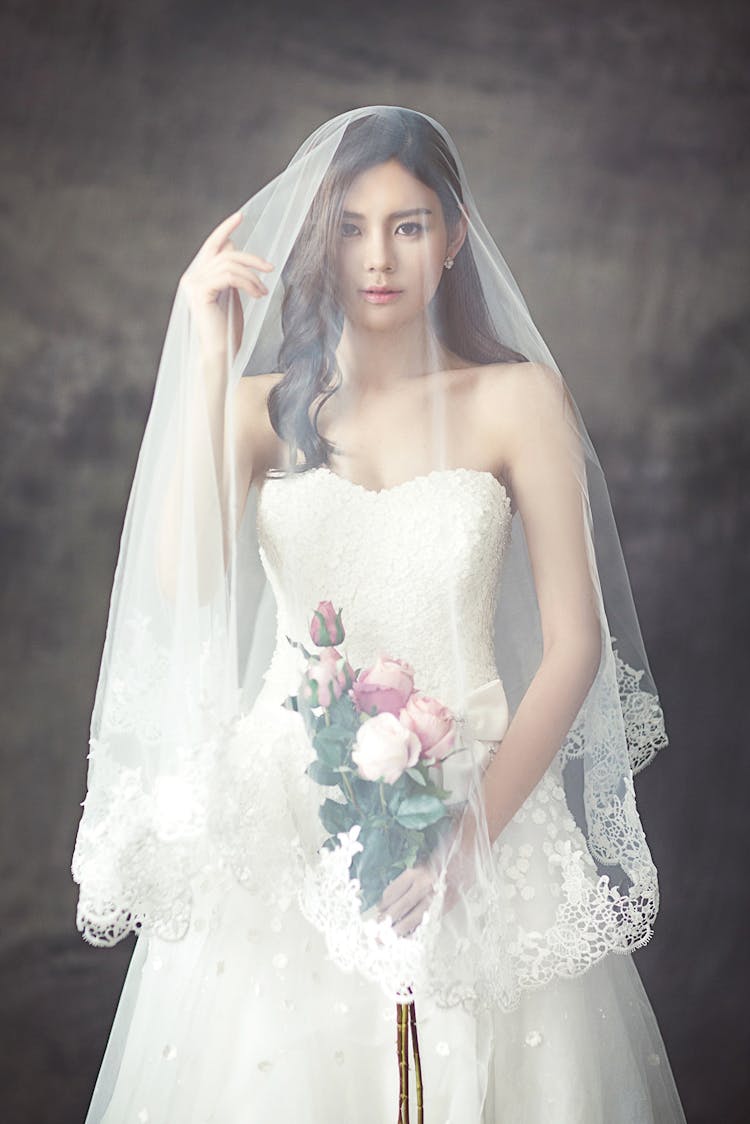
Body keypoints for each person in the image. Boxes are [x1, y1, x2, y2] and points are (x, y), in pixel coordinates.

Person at [73, 106, 686, 1121]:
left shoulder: (520, 398)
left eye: (408, 224)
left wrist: (469, 837)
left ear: (452, 238)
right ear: (320, 241)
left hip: (480, 799)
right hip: (285, 818)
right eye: (351, 225)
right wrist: (207, 353)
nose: (378, 255)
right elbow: (180, 582)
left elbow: (575, 645)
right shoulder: (259, 409)